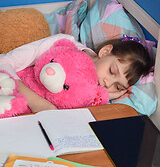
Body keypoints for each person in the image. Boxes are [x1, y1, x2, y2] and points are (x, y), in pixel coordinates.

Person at [0, 34, 153, 113]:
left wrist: (105, 96)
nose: (108, 83)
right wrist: (38, 103)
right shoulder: (65, 45)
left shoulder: (93, 91)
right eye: (112, 71)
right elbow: (4, 63)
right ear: (105, 51)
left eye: (118, 86)